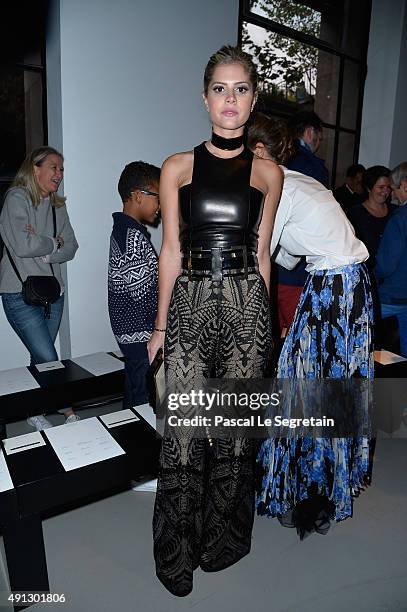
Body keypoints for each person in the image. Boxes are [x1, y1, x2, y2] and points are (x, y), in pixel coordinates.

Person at [147, 46, 282, 596]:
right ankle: (176, 554)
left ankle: (222, 541)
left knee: (233, 434)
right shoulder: (177, 167)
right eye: (220, 89)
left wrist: (267, 330)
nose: (231, 99)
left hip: (247, 301)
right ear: (205, 98)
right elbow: (171, 252)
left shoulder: (270, 174)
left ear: (252, 100)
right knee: (182, 432)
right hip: (192, 300)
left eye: (241, 89)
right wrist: (159, 328)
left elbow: (264, 253)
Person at [248, 113, 373, 539]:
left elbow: (261, 253)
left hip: (333, 288)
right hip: (346, 286)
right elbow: (288, 253)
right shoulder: (303, 181)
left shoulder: (278, 189)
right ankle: (319, 487)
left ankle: (302, 489)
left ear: (259, 153)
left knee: (301, 387)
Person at [0, 146, 79, 430]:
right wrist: (53, 242)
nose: (59, 174)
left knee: (40, 355)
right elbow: (22, 245)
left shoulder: (58, 205)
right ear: (35, 169)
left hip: (53, 294)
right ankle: (68, 409)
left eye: (61, 169)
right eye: (53, 167)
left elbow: (71, 247)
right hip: (19, 293)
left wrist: (48, 245)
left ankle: (33, 410)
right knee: (48, 356)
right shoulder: (16, 199)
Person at [108, 161, 160, 408]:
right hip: (141, 335)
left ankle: (128, 438)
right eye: (158, 198)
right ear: (139, 196)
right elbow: (143, 293)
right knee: (144, 399)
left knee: (134, 391)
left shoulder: (125, 231)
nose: (160, 206)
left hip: (133, 336)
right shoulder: (132, 237)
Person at [275, 111, 329, 335]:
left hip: (275, 266)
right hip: (297, 271)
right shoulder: (312, 167)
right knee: (300, 337)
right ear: (309, 132)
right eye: (319, 137)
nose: (319, 143)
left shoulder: (281, 162)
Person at [375, 162, 407, 357]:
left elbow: (387, 264)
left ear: (405, 185)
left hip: (394, 294)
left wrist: (371, 277)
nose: (393, 195)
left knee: (358, 324)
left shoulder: (400, 218)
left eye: (394, 189)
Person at [347, 165, 395, 268]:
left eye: (388, 187)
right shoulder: (355, 214)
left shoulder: (395, 212)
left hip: (390, 271)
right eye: (381, 187)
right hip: (366, 270)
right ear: (369, 188)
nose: (385, 191)